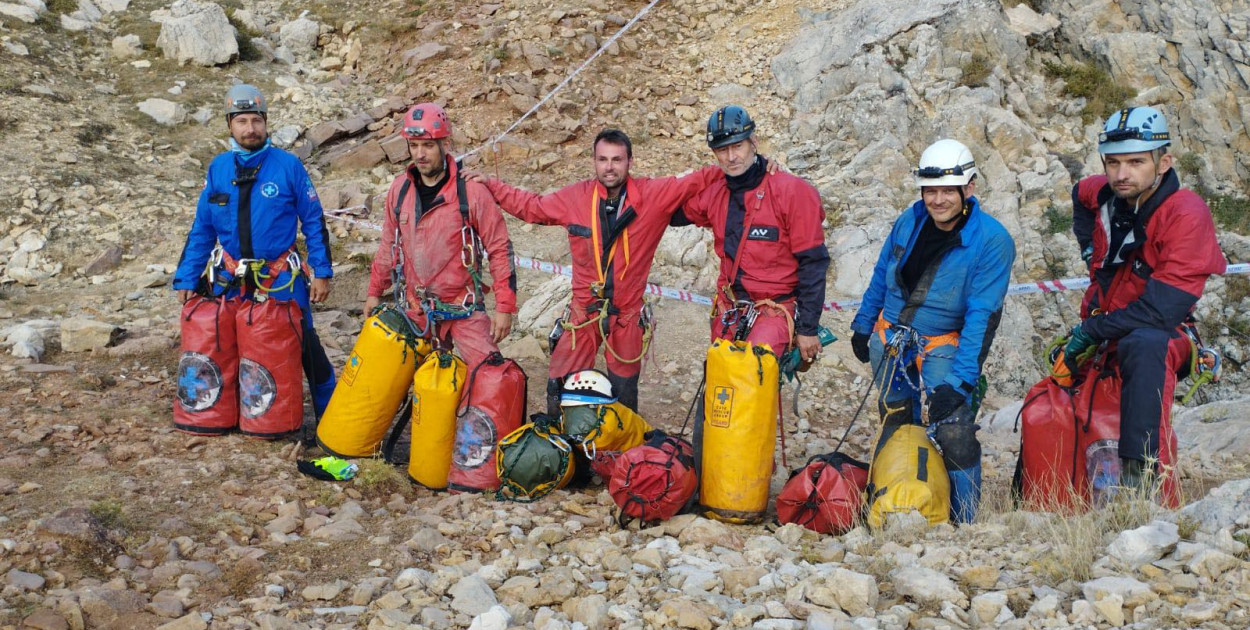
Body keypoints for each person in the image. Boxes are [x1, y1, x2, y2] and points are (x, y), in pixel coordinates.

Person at [469, 129, 724, 414]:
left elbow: (701, 178)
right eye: (603, 159)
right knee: (560, 387)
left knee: (624, 397)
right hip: (583, 314)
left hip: (627, 317)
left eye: (617, 159)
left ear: (630, 161)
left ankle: (620, 440)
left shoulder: (654, 194)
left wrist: (751, 166)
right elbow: (533, 207)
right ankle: (562, 439)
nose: (609, 167)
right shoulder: (576, 198)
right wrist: (492, 186)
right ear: (594, 161)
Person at [849, 138, 1015, 524]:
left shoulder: (992, 241)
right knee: (895, 421)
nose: (937, 200)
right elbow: (882, 275)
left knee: (954, 430)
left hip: (943, 345)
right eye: (930, 191)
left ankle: (964, 522)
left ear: (968, 188)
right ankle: (892, 508)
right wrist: (862, 324)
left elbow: (982, 316)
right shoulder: (909, 221)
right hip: (890, 340)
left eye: (947, 191)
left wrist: (961, 382)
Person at [1064, 106, 1226, 489]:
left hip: (1164, 335)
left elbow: (1160, 312)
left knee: (1144, 342)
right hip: (1107, 327)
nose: (1122, 174)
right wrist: (1090, 252)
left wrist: (1091, 330)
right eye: (1113, 162)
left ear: (1163, 163)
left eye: (1136, 162)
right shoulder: (1106, 194)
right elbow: (1079, 194)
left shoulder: (1185, 214)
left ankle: (1140, 479)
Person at [173, 84, 337, 419]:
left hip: (280, 277)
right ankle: (241, 417)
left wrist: (322, 271)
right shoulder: (218, 169)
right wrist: (186, 277)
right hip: (230, 278)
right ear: (229, 125)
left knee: (306, 345)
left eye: (256, 120)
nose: (250, 128)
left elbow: (313, 220)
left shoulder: (288, 166)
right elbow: (202, 228)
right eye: (242, 121)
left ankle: (332, 419)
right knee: (228, 346)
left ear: (265, 122)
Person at [365, 103, 517, 371]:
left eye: (428, 146)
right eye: (414, 146)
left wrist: (504, 307)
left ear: (444, 144)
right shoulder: (400, 191)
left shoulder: (471, 193)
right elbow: (389, 245)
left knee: (490, 376)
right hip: (417, 310)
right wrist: (374, 292)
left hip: (463, 308)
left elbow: (499, 249)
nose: (420, 154)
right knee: (403, 379)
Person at [674, 105, 829, 365]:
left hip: (774, 312)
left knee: (752, 377)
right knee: (718, 379)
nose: (731, 157)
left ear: (753, 142)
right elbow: (670, 211)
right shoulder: (716, 193)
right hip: (730, 309)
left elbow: (813, 262)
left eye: (738, 146)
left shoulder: (792, 192)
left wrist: (807, 328)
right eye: (722, 150)